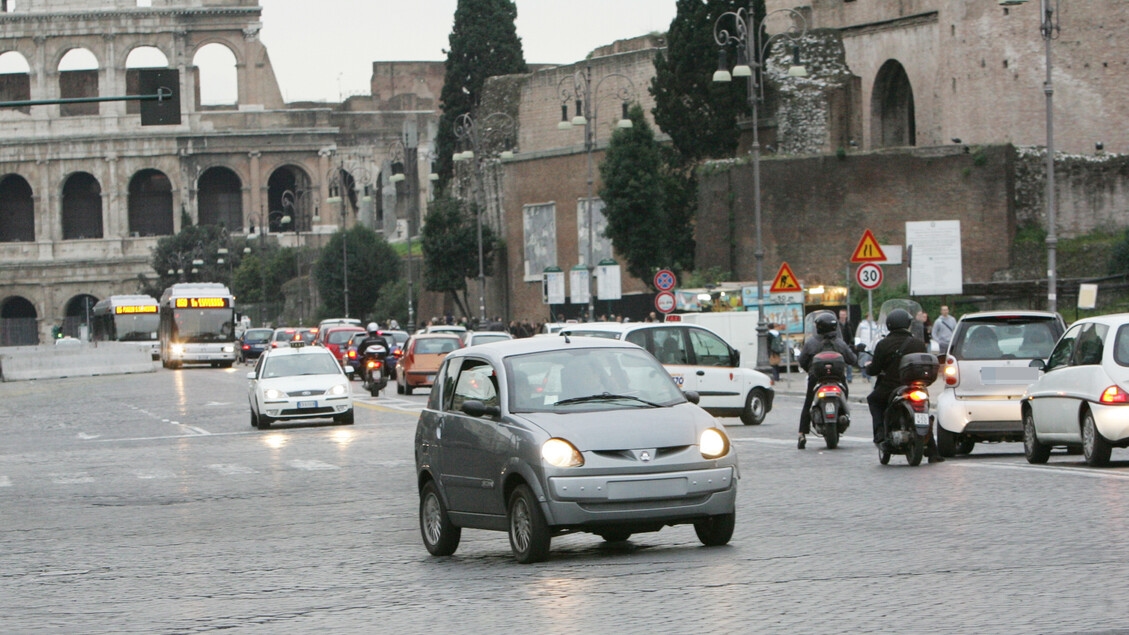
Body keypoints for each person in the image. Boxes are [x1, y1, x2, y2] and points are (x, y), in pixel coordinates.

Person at [865, 309, 944, 463]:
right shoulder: (918, 343)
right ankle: (933, 450)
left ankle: (880, 434)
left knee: (873, 400)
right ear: (907, 324)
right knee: (924, 410)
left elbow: (875, 369)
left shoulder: (883, 344)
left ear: (889, 325)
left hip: (891, 388)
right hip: (916, 386)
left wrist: (868, 368)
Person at [797, 312, 857, 449]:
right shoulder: (839, 343)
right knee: (844, 393)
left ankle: (802, 434)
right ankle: (842, 412)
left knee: (808, 402)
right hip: (838, 378)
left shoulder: (811, 343)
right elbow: (852, 359)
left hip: (816, 378)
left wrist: (810, 370)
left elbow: (802, 361)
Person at [855, 312, 880, 383]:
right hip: (864, 346)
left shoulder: (875, 325)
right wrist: (857, 344)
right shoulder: (862, 325)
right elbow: (857, 335)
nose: (871, 318)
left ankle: (869, 377)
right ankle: (864, 376)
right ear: (867, 317)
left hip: (872, 347)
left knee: (870, 362)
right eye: (869, 316)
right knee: (863, 362)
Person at [838, 309, 854, 383]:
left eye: (844, 315)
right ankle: (840, 376)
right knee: (840, 362)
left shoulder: (849, 324)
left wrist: (852, 342)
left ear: (846, 315)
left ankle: (849, 377)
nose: (842, 316)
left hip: (847, 345)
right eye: (841, 314)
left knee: (849, 362)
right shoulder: (837, 325)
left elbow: (852, 334)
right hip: (839, 344)